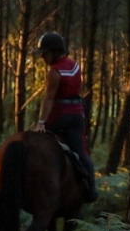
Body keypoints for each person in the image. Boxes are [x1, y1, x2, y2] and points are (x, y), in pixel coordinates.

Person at [32, 32, 99, 202]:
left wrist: (41, 123)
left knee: (35, 143)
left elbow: (49, 99)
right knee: (82, 153)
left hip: (59, 116)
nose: (42, 57)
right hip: (76, 115)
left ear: (54, 51)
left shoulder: (54, 72)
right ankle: (91, 189)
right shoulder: (75, 66)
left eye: (44, 53)